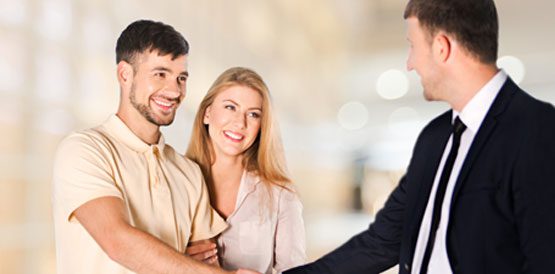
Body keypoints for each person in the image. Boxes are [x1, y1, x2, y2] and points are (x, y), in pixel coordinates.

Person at [285, 0, 555, 273]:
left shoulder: (538, 130)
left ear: (442, 48)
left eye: (413, 46)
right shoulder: (434, 138)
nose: (410, 63)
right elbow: (382, 242)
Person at [52, 20, 258, 274]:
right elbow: (118, 241)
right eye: (160, 74)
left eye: (181, 78)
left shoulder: (189, 173)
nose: (174, 91)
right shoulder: (85, 150)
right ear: (125, 74)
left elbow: (205, 261)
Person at [185, 67, 307, 274]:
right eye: (230, 107)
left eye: (253, 114)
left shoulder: (280, 194)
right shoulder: (175, 181)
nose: (240, 123)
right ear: (207, 113)